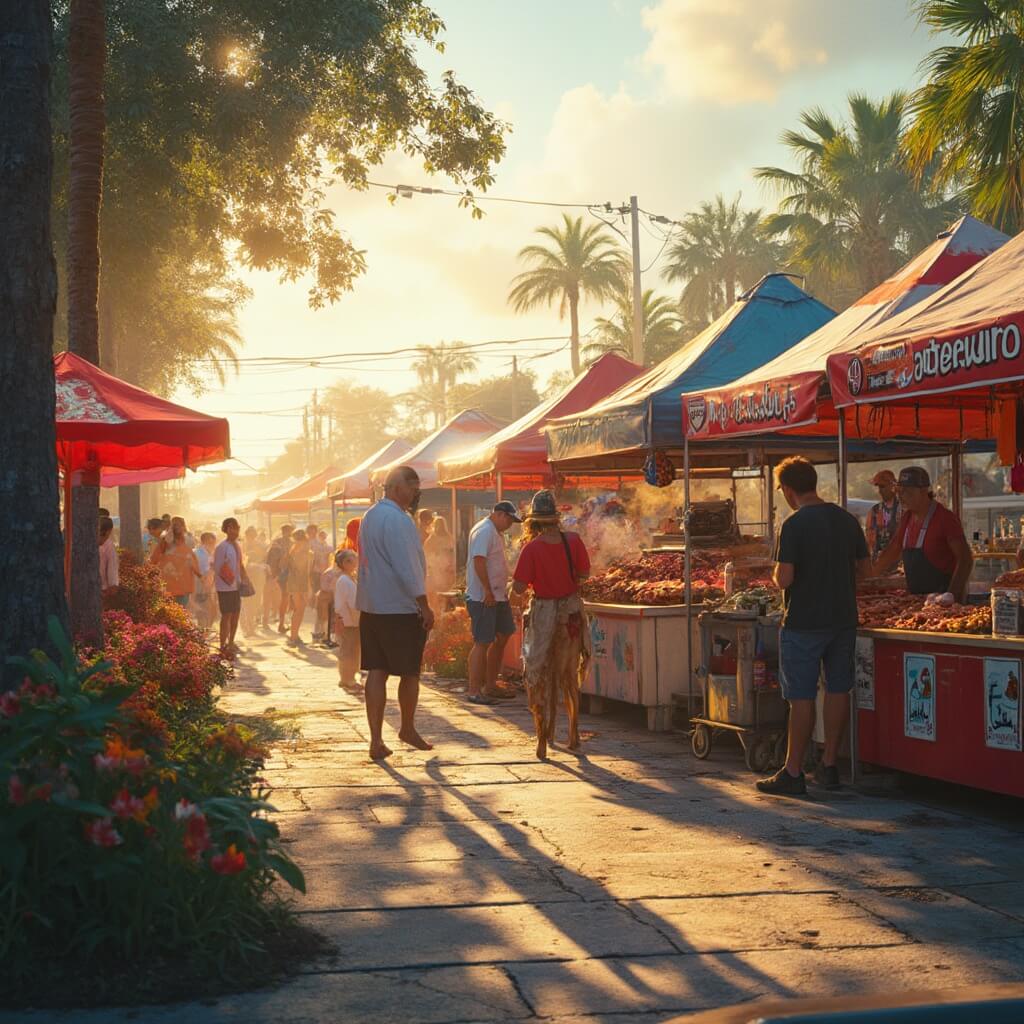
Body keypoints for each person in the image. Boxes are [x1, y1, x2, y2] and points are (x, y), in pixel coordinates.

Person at [757, 457, 870, 797]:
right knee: (838, 689)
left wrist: (775, 575)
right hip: (843, 620)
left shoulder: (793, 525)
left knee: (801, 697)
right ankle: (830, 765)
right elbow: (865, 572)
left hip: (804, 623)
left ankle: (793, 772)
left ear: (789, 490)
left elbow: (785, 577)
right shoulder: (847, 520)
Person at [357, 465, 435, 760]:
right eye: (411, 486)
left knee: (377, 670)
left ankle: (376, 740)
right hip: (399, 608)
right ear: (395, 487)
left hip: (373, 606)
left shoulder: (371, 516)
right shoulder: (398, 520)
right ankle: (407, 727)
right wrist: (424, 604)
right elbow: (408, 568)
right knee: (409, 672)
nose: (415, 492)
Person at [511, 490, 591, 760]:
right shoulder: (574, 541)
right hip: (570, 614)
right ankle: (574, 735)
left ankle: (542, 741)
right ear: (556, 518)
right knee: (569, 677)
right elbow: (584, 574)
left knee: (538, 676)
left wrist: (515, 588)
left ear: (533, 521)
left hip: (544, 612)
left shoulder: (530, 549)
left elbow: (520, 588)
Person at [873, 466, 973, 601]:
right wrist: (869, 575)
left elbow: (965, 560)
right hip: (917, 601)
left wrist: (951, 595)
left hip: (944, 602)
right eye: (899, 491)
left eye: (907, 492)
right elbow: (893, 550)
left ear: (924, 491)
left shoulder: (945, 518)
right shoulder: (907, 518)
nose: (901, 497)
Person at [465, 502, 521, 706]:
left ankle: (490, 685)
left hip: (498, 596)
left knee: (503, 635)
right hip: (484, 597)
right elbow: (479, 561)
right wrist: (487, 590)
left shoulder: (493, 532)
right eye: (509, 519)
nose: (509, 525)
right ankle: (473, 690)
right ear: (499, 514)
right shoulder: (484, 531)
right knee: (482, 641)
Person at [150, 515, 201, 607]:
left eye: (180, 524)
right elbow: (154, 559)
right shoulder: (165, 542)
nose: (177, 527)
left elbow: (193, 561)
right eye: (175, 524)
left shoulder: (188, 541)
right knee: (171, 613)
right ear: (171, 527)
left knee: (180, 612)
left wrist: (200, 575)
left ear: (184, 527)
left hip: (183, 585)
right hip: (168, 586)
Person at [214, 517, 246, 659]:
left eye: (237, 528)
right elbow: (218, 567)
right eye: (233, 528)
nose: (236, 531)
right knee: (226, 616)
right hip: (225, 586)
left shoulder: (237, 545)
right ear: (227, 529)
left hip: (236, 586)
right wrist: (229, 580)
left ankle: (231, 641)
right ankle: (222, 644)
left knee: (236, 615)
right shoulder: (222, 547)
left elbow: (240, 564)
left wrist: (244, 578)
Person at [333, 549, 360, 686]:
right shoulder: (344, 580)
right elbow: (351, 603)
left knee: (353, 649)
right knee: (348, 650)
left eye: (353, 559)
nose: (352, 563)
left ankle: (350, 676)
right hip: (348, 620)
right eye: (348, 561)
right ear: (341, 563)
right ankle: (346, 677)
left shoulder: (351, 578)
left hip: (352, 620)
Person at [282, 529, 313, 646]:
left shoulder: (294, 550)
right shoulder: (303, 553)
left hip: (294, 583)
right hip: (300, 583)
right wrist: (307, 588)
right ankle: (293, 636)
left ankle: (294, 635)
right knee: (299, 610)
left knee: (298, 610)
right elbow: (303, 572)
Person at [865, 470, 901, 559]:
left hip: (899, 564)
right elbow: (869, 540)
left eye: (882, 486)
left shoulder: (904, 510)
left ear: (893, 486)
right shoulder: (874, 511)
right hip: (878, 563)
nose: (879, 491)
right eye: (878, 487)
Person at [424, 515, 455, 613]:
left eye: (441, 524)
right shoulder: (431, 539)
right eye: (437, 524)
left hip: (446, 568)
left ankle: (446, 613)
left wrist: (450, 565)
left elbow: (452, 553)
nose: (439, 527)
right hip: (436, 569)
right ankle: (437, 612)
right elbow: (426, 555)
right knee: (436, 593)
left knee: (446, 592)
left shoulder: (449, 537)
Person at [266, 524, 293, 634]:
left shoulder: (291, 542)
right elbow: (271, 560)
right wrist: (275, 575)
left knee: (286, 599)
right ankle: (281, 623)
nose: (288, 533)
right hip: (283, 574)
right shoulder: (279, 543)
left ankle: (283, 622)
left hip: (287, 574)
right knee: (284, 598)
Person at [241, 525, 268, 635]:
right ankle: (249, 626)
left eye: (252, 535)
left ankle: (251, 625)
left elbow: (265, 560)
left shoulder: (261, 546)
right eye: (249, 535)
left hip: (257, 577)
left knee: (255, 602)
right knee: (248, 602)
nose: (250, 537)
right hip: (246, 577)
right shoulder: (241, 546)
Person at [307, 523, 331, 641]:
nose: (312, 533)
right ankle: (319, 631)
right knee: (319, 599)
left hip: (322, 572)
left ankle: (320, 631)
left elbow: (327, 552)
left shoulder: (320, 542)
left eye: (314, 531)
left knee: (321, 601)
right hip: (315, 573)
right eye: (310, 531)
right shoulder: (308, 543)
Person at [317, 552, 342, 648]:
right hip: (329, 601)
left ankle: (334, 638)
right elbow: (324, 587)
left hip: (337, 600)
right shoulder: (329, 572)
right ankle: (326, 637)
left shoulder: (342, 573)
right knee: (327, 619)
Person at [193, 532, 217, 629]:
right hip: (201, 586)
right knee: (203, 610)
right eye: (211, 542)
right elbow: (204, 572)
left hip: (209, 585)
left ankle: (206, 631)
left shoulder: (209, 553)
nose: (213, 545)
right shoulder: (199, 553)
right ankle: (204, 632)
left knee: (209, 610)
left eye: (213, 542)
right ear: (205, 542)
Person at [98, 515, 119, 603]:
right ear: (109, 531)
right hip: (103, 590)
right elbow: (112, 567)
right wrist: (113, 586)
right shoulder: (109, 546)